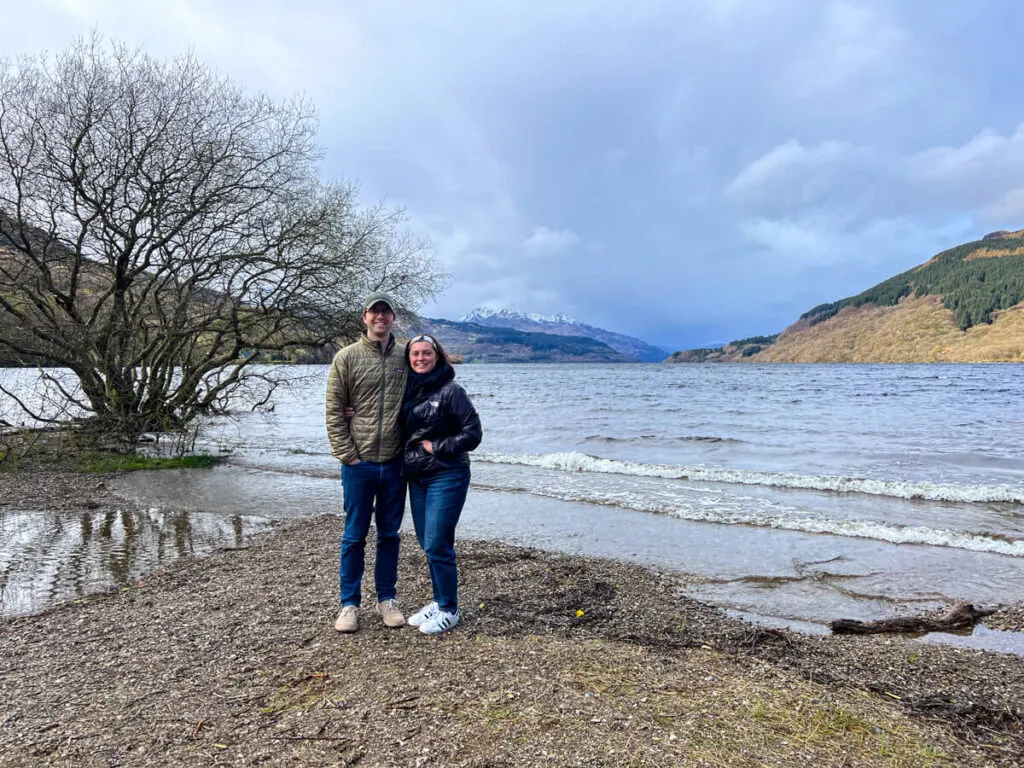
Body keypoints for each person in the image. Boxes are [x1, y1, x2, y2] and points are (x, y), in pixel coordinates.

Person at [325, 292, 409, 633]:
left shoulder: (406, 357)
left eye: (386, 312)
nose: (381, 317)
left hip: (394, 463)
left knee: (389, 534)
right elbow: (333, 411)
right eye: (375, 312)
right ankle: (349, 605)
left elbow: (430, 389)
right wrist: (349, 455)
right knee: (354, 536)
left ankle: (387, 599)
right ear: (365, 317)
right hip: (358, 465)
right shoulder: (346, 358)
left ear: (392, 318)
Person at [401, 333, 482, 634]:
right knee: (427, 543)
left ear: (437, 357)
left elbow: (473, 434)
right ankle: (438, 601)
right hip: (417, 476)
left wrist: (437, 446)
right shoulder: (408, 390)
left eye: (426, 354)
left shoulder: (451, 391)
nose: (421, 358)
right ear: (408, 359)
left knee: (438, 543)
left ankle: (450, 609)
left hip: (447, 474)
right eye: (415, 354)